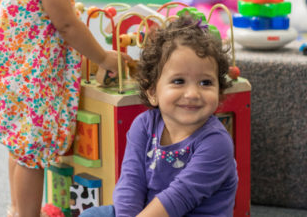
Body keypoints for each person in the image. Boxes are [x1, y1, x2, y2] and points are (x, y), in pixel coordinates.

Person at [0, 0, 131, 217]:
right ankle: (27, 213)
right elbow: (66, 25)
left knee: (21, 146)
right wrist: (102, 57)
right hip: (24, 79)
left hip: (4, 72)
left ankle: (16, 209)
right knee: (32, 157)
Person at [80, 15, 238, 217]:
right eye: (179, 81)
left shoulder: (217, 143)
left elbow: (176, 200)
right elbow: (131, 183)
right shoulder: (144, 125)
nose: (192, 94)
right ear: (153, 91)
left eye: (206, 83)